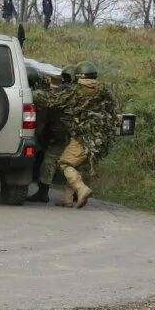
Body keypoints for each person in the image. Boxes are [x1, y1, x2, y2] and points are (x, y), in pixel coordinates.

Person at [37, 61, 117, 208]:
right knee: (76, 164)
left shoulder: (76, 90)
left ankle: (81, 189)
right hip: (103, 140)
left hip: (84, 136)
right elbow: (113, 111)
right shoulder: (105, 90)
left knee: (65, 162)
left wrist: (36, 93)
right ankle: (67, 199)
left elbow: (52, 101)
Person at [28, 69, 70, 203]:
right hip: (59, 133)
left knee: (48, 162)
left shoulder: (36, 94)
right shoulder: (63, 94)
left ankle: (43, 192)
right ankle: (74, 192)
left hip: (53, 134)